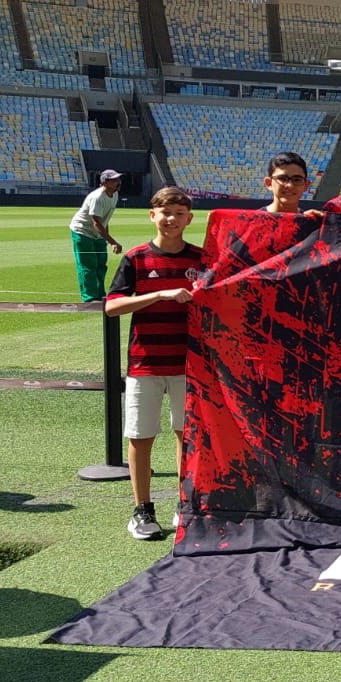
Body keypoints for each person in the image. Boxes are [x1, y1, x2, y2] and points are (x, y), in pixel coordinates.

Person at [104, 186, 204, 541]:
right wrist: (159, 294)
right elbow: (112, 306)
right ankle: (142, 509)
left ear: (189, 219)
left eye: (179, 213)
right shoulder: (136, 258)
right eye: (165, 213)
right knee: (141, 436)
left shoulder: (201, 258)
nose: (172, 219)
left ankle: (184, 504)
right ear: (153, 215)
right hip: (145, 363)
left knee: (185, 436)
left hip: (188, 363)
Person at [68, 169, 124, 302]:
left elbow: (105, 220)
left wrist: (107, 238)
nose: (118, 182)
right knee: (88, 265)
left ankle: (100, 294)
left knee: (101, 264)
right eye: (114, 180)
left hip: (98, 232)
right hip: (83, 231)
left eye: (118, 179)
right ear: (105, 182)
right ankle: (89, 297)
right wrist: (112, 242)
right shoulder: (97, 197)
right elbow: (96, 222)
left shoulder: (114, 195)